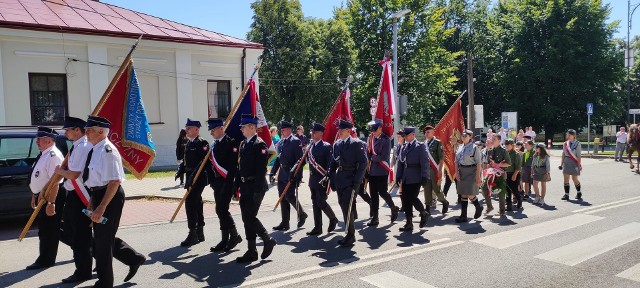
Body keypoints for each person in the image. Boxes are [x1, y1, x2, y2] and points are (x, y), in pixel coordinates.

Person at [84, 116, 146, 287]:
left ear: (101, 132)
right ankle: (134, 258)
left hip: (110, 197)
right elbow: (95, 180)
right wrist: (92, 201)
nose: (86, 133)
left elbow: (114, 182)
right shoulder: (95, 148)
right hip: (99, 194)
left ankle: (105, 282)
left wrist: (102, 207)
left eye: (90, 130)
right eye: (87, 129)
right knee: (102, 239)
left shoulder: (107, 151)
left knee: (103, 242)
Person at [54, 117, 93, 283]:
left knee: (80, 236)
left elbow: (75, 174)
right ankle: (126, 256)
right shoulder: (77, 146)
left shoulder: (83, 146)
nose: (65, 132)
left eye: (67, 129)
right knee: (76, 233)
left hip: (80, 195)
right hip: (72, 195)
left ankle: (83, 271)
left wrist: (60, 171)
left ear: (77, 130)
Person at [235, 114, 277, 263]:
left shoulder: (260, 145)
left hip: (255, 186)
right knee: (246, 219)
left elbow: (261, 170)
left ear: (252, 128)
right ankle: (252, 251)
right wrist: (236, 186)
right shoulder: (243, 144)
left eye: (244, 127)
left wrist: (258, 191)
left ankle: (267, 239)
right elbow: (239, 168)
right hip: (245, 185)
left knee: (249, 217)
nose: (241, 129)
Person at [25, 127, 65, 271]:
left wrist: (51, 202)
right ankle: (87, 247)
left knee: (49, 230)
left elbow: (55, 181)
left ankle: (46, 260)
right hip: (42, 196)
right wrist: (34, 194)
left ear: (48, 140)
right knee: (49, 230)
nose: (37, 142)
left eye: (39, 139)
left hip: (51, 196)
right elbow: (39, 177)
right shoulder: (44, 154)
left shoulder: (53, 155)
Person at [328, 120, 367, 247]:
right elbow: (334, 162)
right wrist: (331, 177)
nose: (339, 132)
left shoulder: (356, 144)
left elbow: (363, 163)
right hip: (340, 179)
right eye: (339, 130)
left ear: (348, 131)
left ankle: (351, 235)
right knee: (342, 205)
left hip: (351, 179)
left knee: (347, 206)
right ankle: (349, 232)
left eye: (342, 130)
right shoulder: (337, 144)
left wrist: (357, 181)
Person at [207, 118, 243, 252]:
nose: (211, 133)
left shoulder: (231, 143)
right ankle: (225, 239)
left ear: (221, 129)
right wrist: (212, 181)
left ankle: (234, 235)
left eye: (213, 130)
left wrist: (230, 184)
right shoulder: (214, 144)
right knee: (219, 210)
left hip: (227, 181)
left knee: (222, 210)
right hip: (217, 182)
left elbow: (233, 166)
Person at [270, 120, 307, 231]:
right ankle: (285, 223)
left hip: (292, 173)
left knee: (289, 196)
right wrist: (272, 172)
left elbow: (301, 160)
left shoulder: (295, 141)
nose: (282, 131)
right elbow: (278, 159)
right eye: (281, 129)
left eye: (284, 129)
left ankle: (302, 213)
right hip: (282, 173)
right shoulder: (281, 142)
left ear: (290, 130)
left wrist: (296, 174)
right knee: (282, 197)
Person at [180, 118, 212, 247]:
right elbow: (186, 160)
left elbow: (202, 163)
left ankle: (192, 233)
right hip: (190, 176)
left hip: (199, 178)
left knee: (190, 202)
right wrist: (181, 170)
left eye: (189, 128)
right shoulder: (188, 143)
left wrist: (192, 177)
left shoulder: (202, 143)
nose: (186, 130)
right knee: (197, 202)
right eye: (186, 128)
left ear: (196, 130)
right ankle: (200, 232)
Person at [305, 123, 339, 235]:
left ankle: (333, 218)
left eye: (315, 132)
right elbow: (302, 160)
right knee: (315, 203)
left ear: (321, 133)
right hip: (312, 180)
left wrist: (328, 174)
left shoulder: (326, 146)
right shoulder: (310, 147)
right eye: (312, 132)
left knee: (321, 201)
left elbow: (330, 163)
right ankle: (318, 227)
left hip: (322, 179)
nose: (312, 134)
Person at [365, 119, 399, 226]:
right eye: (372, 130)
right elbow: (368, 152)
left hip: (382, 170)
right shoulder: (371, 139)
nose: (373, 132)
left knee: (383, 192)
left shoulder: (386, 140)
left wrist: (372, 157)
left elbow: (384, 156)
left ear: (380, 128)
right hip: (372, 171)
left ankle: (393, 208)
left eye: (375, 130)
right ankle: (375, 217)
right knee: (373, 195)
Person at [396, 127, 430, 231]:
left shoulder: (420, 146)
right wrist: (398, 176)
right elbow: (401, 163)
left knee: (413, 197)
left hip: (416, 175)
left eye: (406, 135)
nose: (405, 137)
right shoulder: (404, 146)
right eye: (404, 135)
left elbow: (425, 162)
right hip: (406, 176)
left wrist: (425, 176)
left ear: (413, 135)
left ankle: (423, 213)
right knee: (406, 200)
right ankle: (409, 223)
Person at [454, 130, 484, 223]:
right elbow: (456, 161)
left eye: (465, 135)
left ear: (470, 137)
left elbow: (479, 163)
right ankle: (463, 216)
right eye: (462, 135)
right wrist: (456, 172)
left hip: (471, 171)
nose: (463, 137)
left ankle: (478, 207)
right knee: (463, 193)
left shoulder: (475, 148)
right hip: (462, 171)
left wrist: (478, 176)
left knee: (470, 193)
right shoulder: (459, 147)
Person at [422, 125, 450, 215]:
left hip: (435, 169)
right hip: (426, 170)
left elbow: (441, 158)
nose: (426, 133)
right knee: (426, 188)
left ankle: (444, 202)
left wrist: (440, 171)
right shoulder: (424, 143)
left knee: (436, 188)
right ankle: (427, 208)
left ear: (433, 132)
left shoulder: (438, 143)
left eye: (428, 132)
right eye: (425, 132)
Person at [484, 134, 511, 216]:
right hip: (491, 172)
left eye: (494, 139)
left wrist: (497, 164)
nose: (492, 140)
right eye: (492, 139)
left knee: (500, 191)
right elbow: (487, 162)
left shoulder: (503, 151)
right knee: (484, 187)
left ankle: (502, 210)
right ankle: (489, 206)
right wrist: (488, 166)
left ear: (499, 141)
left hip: (500, 173)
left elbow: (508, 164)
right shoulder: (489, 151)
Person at [560, 129, 583, 200]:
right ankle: (566, 194)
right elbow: (563, 154)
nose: (568, 136)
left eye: (569, 135)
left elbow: (578, 156)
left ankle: (579, 192)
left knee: (574, 178)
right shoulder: (565, 144)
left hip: (574, 162)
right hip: (566, 161)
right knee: (566, 178)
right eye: (567, 135)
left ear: (573, 135)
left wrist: (579, 165)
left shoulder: (577, 143)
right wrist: (561, 164)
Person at [504, 139, 523, 211]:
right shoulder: (506, 153)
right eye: (505, 145)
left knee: (514, 190)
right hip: (506, 174)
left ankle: (519, 199)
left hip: (514, 173)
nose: (506, 147)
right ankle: (509, 206)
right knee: (507, 191)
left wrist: (514, 175)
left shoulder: (516, 154)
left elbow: (518, 166)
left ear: (512, 145)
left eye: (507, 145)